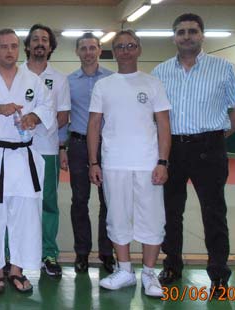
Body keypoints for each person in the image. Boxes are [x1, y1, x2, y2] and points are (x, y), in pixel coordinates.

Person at [152, 13, 235, 295]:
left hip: (210, 148)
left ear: (202, 35)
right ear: (174, 37)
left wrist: (217, 136)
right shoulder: (161, 72)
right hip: (172, 148)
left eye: (192, 31)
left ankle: (219, 273)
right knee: (171, 212)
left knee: (214, 212)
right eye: (181, 32)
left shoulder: (224, 68)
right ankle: (172, 265)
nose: (187, 36)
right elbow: (156, 117)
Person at [0, 28, 55, 293]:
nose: (9, 51)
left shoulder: (33, 80)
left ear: (20, 49)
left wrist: (34, 118)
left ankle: (17, 269)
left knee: (26, 215)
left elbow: (47, 106)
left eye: (13, 46)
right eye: (3, 46)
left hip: (23, 155)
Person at [87, 30, 171, 297]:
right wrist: (93, 162)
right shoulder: (103, 85)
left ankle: (149, 274)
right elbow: (94, 125)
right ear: (114, 50)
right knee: (117, 218)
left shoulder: (153, 83)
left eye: (131, 45)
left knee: (152, 219)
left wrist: (163, 162)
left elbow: (164, 125)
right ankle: (124, 270)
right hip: (114, 165)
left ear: (139, 49)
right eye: (120, 46)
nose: (125, 50)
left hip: (148, 165)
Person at [63, 32, 115, 274]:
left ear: (99, 49)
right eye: (83, 48)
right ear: (77, 52)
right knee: (79, 201)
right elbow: (63, 117)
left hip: (108, 147)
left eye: (92, 48)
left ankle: (107, 252)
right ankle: (82, 253)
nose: (88, 52)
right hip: (78, 146)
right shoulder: (69, 81)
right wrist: (62, 147)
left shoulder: (113, 79)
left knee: (109, 201)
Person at [21, 24, 70, 277]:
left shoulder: (59, 79)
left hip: (47, 149)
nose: (40, 43)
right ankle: (11, 255)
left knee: (48, 203)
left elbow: (62, 115)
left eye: (44, 40)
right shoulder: (13, 73)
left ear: (50, 47)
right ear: (27, 45)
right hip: (16, 150)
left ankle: (48, 253)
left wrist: (37, 121)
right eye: (35, 39)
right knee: (15, 202)